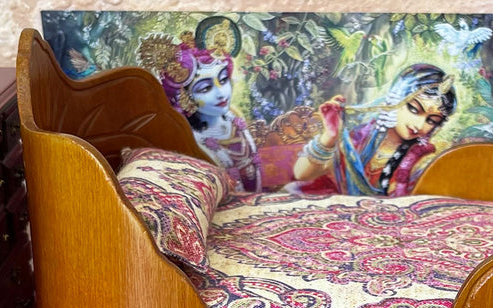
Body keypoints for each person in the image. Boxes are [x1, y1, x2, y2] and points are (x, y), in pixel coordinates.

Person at [292, 64, 457, 196]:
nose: (419, 125)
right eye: (414, 109)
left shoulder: (423, 158)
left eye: (431, 121)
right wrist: (330, 136)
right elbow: (301, 174)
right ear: (396, 99)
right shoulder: (359, 138)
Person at [160, 46, 262, 193]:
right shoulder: (190, 139)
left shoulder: (233, 117)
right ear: (183, 98)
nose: (221, 93)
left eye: (224, 79)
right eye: (205, 88)